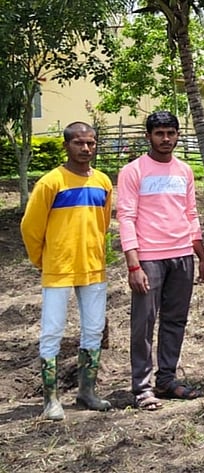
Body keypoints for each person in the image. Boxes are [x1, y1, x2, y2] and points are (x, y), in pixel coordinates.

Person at [21, 121, 115, 420]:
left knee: (93, 330)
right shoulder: (51, 182)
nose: (86, 148)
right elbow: (31, 227)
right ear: (66, 146)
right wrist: (42, 260)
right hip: (58, 268)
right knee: (52, 331)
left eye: (91, 143)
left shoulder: (102, 182)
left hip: (92, 267)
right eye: (79, 143)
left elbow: (103, 224)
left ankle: (87, 391)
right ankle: (50, 400)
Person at [117, 112, 204, 410]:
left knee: (175, 319)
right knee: (143, 323)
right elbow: (126, 218)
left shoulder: (184, 171)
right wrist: (134, 265)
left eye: (171, 133)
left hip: (182, 255)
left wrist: (201, 255)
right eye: (159, 133)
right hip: (149, 258)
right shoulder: (133, 171)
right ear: (148, 136)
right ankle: (142, 387)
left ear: (178, 135)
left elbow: (191, 214)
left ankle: (166, 379)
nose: (166, 139)